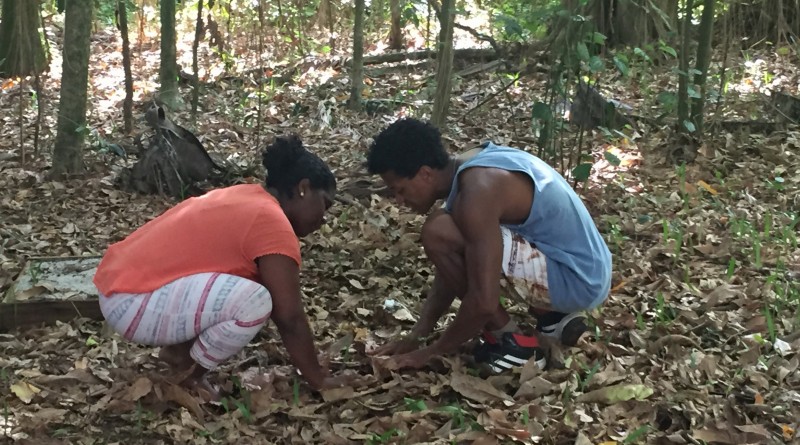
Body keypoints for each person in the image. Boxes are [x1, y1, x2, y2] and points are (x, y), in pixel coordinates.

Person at [93, 135, 352, 399]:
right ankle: (187, 376)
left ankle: (178, 354)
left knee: (253, 289)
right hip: (132, 303)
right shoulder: (271, 220)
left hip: (120, 292)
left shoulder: (247, 196)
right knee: (256, 301)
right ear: (303, 188)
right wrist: (318, 379)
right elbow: (290, 317)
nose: (324, 218)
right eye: (325, 204)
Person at [365, 118, 612, 373]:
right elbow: (453, 267)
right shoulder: (470, 162)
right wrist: (417, 334)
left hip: (578, 279)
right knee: (448, 232)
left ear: (425, 173)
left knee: (439, 231)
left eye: (400, 190)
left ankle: (515, 344)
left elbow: (484, 300)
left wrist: (431, 352)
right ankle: (553, 317)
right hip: (586, 268)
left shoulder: (477, 190)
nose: (399, 200)